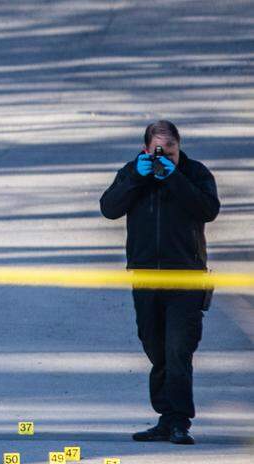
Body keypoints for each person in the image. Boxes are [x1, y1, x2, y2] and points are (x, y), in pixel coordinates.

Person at [99, 120, 220, 446]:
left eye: (170, 150)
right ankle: (166, 417)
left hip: (186, 277)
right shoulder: (133, 172)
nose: (163, 156)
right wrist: (137, 178)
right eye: (157, 150)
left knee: (179, 348)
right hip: (146, 276)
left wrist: (174, 179)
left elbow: (209, 210)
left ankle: (179, 421)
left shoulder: (195, 173)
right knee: (155, 346)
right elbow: (109, 208)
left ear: (179, 147)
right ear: (145, 148)